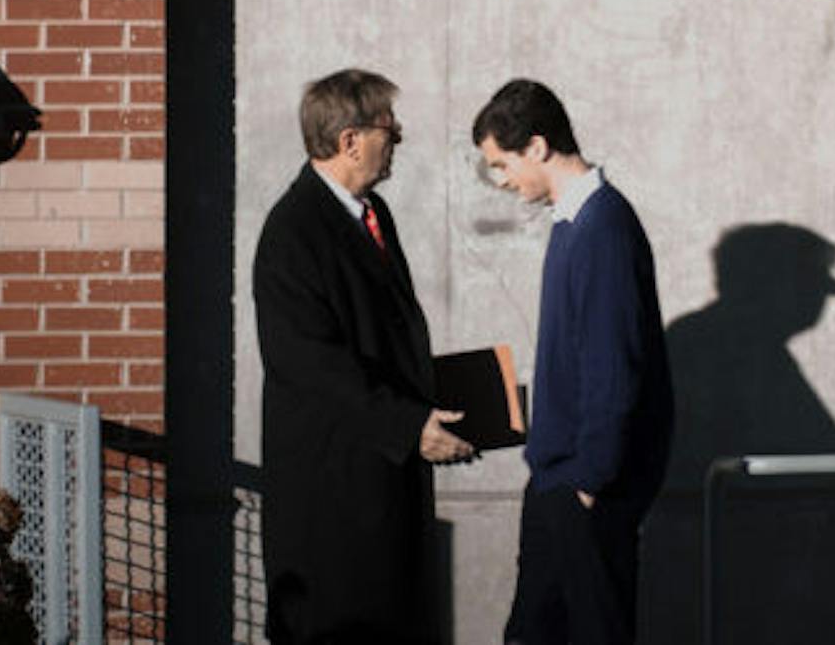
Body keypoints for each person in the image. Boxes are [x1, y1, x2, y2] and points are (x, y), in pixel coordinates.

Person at [254, 69, 475, 645]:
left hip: (381, 484)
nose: (397, 136)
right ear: (350, 140)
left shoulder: (371, 214)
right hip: (336, 501)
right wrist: (407, 424)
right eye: (388, 129)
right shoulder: (293, 231)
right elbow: (309, 362)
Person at [474, 79, 673, 645]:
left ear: (536, 147)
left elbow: (615, 370)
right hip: (561, 481)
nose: (501, 180)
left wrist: (588, 482)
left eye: (501, 163)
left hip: (583, 487)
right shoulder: (573, 224)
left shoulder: (602, 228)